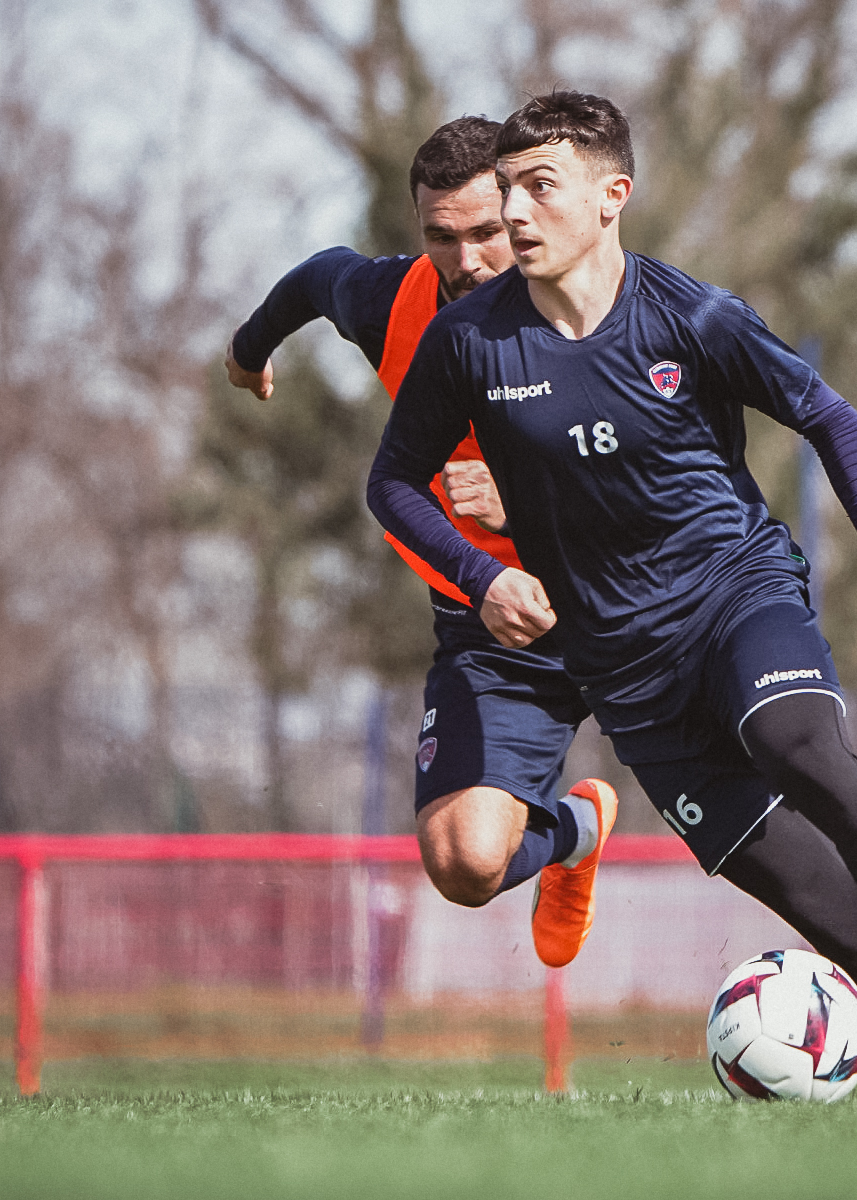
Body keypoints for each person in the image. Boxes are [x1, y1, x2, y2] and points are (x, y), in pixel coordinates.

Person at [367, 91, 857, 1107]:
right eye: (508, 191)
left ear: (612, 196)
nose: (517, 214)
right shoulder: (470, 344)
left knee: (798, 745)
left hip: (733, 593)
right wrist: (484, 579)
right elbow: (389, 482)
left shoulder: (690, 316)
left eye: (539, 188)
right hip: (624, 668)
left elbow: (827, 417)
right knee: (790, 875)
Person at [225, 117, 617, 973]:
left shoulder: (609, 309)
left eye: (486, 232)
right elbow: (318, 279)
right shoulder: (395, 303)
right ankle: (576, 831)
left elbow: (681, 483)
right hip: (493, 627)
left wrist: (529, 507)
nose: (468, 259)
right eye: (442, 237)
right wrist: (247, 350)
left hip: (636, 608)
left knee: (791, 792)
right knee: (464, 865)